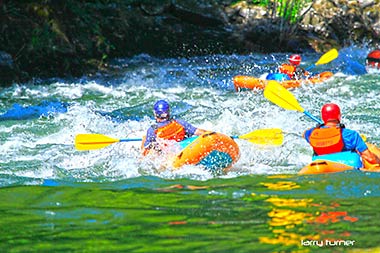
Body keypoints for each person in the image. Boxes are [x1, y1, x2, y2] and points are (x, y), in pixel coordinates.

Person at [303, 103, 380, 166]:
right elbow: (370, 158)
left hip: (321, 165)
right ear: (339, 117)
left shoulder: (311, 133)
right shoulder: (351, 134)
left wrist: (320, 127)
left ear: (323, 118)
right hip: (348, 166)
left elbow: (304, 134)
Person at [142, 100, 207, 155]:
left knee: (145, 139)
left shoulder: (153, 128)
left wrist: (145, 141)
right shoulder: (179, 122)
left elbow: (145, 151)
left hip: (167, 155)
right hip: (182, 149)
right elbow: (199, 132)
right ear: (168, 113)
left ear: (155, 114)